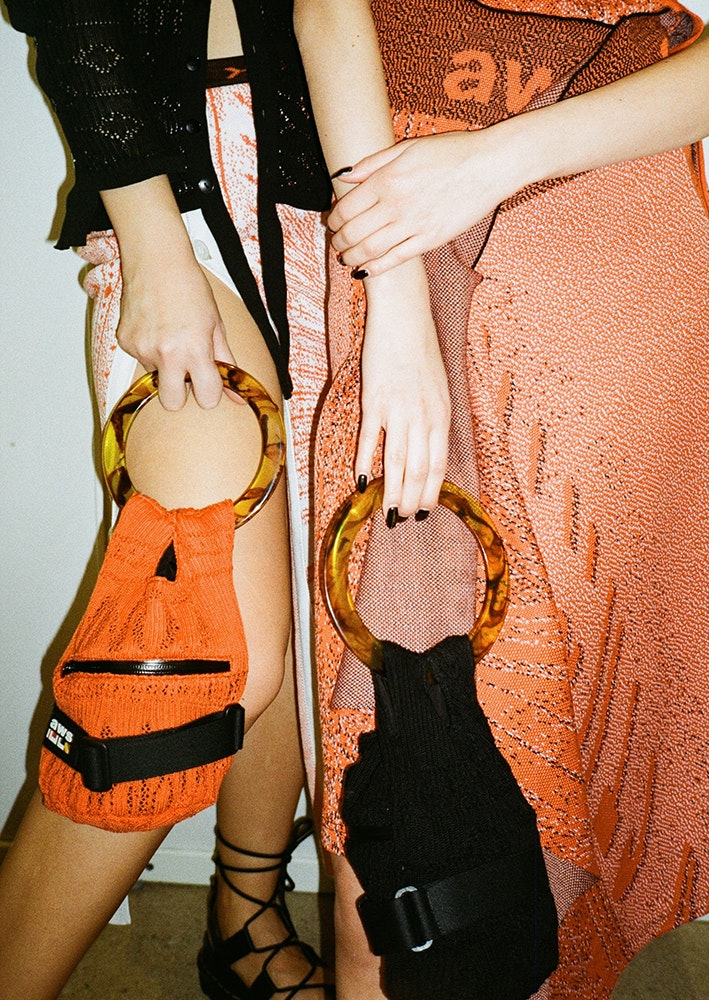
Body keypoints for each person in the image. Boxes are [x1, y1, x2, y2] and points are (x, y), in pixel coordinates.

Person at [292, 1, 709, 998]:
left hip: (610, 260)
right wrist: (394, 292)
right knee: (401, 789)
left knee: (576, 765)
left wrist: (487, 163)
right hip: (399, 221)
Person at [0, 1, 332, 998]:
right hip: (175, 200)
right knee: (192, 651)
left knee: (300, 625)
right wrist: (150, 244)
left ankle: (245, 912)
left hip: (335, 209)